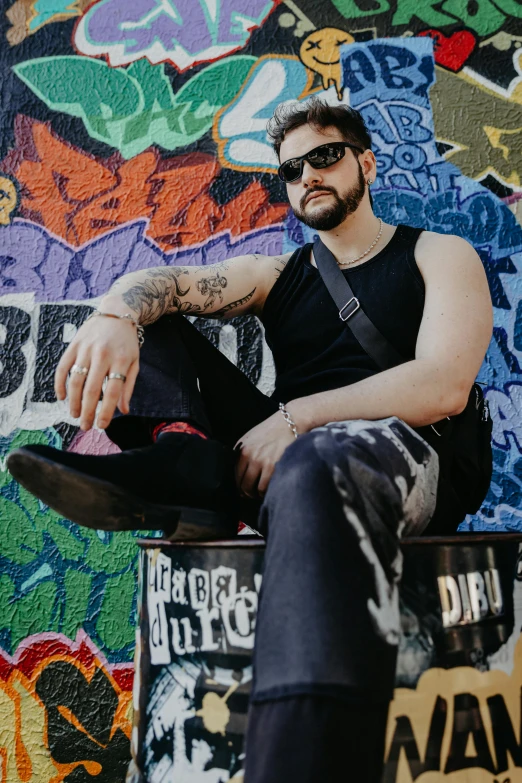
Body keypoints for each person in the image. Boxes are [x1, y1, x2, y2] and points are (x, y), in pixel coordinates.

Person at [8, 98, 492, 781]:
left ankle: (302, 756)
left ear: (366, 162)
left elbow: (443, 384)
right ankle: (189, 468)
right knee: (156, 326)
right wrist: (115, 311)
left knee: (322, 458)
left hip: (403, 462)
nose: (307, 177)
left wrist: (296, 421)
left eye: (324, 156)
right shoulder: (278, 276)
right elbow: (171, 284)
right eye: (291, 169)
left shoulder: (438, 253)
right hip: (288, 474)